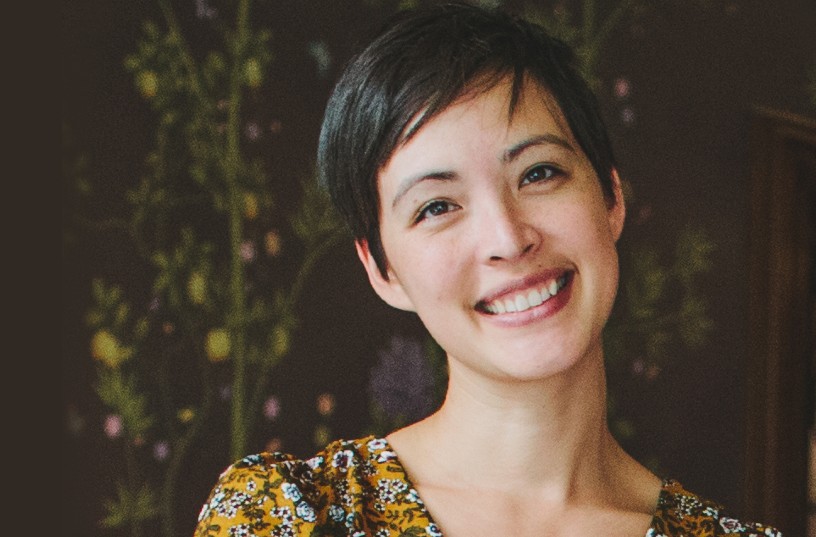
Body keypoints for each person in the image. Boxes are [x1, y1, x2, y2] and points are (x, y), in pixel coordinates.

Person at [193, 3, 781, 536]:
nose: (507, 238)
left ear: (610, 196)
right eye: (437, 207)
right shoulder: (285, 517)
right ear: (382, 270)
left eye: (539, 173)